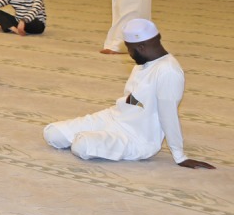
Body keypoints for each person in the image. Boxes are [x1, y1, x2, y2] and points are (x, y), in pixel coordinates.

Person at [44, 20, 213, 169]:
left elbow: (168, 115)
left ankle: (94, 139)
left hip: (137, 137)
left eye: (129, 49)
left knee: (82, 146)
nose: (129, 54)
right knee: (53, 133)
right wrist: (128, 106)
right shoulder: (143, 62)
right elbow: (133, 97)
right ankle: (95, 136)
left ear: (141, 47)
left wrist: (180, 156)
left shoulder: (168, 71)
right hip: (114, 117)